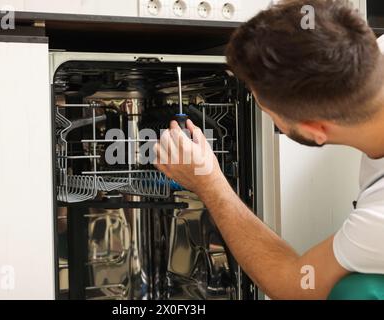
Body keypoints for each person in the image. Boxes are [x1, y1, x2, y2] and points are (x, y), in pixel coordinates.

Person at [154, 0, 384, 299]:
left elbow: (295, 284)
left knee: (352, 292)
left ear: (315, 130)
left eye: (264, 107)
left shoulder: (377, 221)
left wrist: (209, 182)